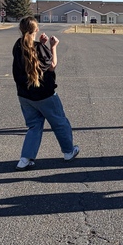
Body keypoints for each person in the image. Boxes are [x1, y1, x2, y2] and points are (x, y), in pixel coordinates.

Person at [12, 17, 79, 170]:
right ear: (36, 30)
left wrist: (41, 45)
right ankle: (68, 151)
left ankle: (25, 158)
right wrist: (52, 46)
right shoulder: (39, 48)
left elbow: (31, 59)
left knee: (34, 126)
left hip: (24, 94)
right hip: (44, 94)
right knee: (60, 123)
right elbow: (51, 65)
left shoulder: (17, 45)